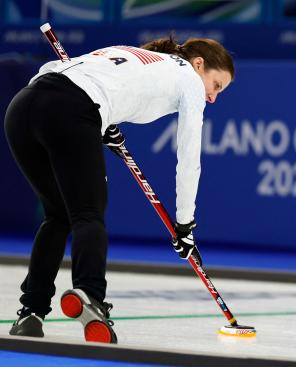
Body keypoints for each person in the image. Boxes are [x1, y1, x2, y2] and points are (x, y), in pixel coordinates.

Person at [5, 36, 233, 344]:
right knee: (89, 213)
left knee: (58, 214)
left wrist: (101, 122)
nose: (213, 97)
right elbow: (189, 158)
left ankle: (30, 313)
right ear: (199, 64)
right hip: (73, 109)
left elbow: (56, 71)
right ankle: (90, 296)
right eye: (217, 85)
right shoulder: (188, 78)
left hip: (23, 107)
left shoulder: (131, 53)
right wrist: (185, 224)